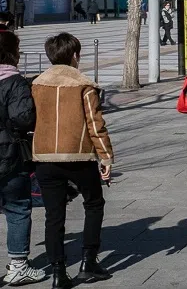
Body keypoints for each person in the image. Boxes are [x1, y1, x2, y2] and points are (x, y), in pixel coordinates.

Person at [32, 33, 114, 288]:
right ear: (75, 56)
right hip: (78, 156)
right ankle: (88, 262)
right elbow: (95, 124)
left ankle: (58, 272)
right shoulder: (83, 85)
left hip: (44, 158)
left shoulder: (36, 84)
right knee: (94, 203)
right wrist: (106, 157)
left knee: (54, 215)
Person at [0, 29, 46, 285]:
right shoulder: (14, 81)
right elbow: (23, 118)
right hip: (8, 154)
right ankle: (18, 266)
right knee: (17, 207)